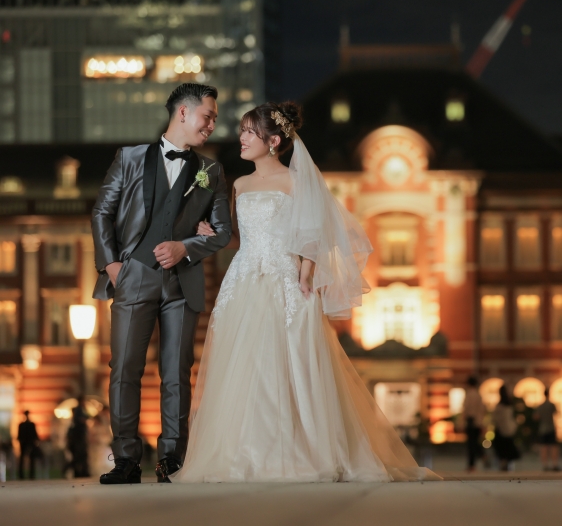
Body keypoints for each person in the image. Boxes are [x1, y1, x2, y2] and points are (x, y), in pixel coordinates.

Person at [171, 103, 439, 483]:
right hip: (244, 281)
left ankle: (302, 450)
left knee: (290, 365)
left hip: (285, 280)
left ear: (274, 141)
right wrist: (208, 234)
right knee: (246, 369)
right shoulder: (241, 185)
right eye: (243, 132)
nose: (242, 139)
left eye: (250, 132)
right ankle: (246, 453)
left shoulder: (297, 182)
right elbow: (236, 238)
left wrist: (306, 274)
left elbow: (317, 233)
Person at [92, 83, 233, 484]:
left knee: (176, 372)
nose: (211, 125)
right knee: (124, 369)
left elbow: (222, 232)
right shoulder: (130, 158)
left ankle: (173, 460)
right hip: (132, 275)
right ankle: (126, 460)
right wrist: (113, 265)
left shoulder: (211, 171)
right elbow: (101, 212)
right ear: (184, 113)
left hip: (182, 282)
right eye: (208, 116)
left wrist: (186, 246)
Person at [491, 385, 520, 471]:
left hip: (500, 430)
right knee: (508, 447)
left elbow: (494, 418)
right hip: (509, 429)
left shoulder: (499, 406)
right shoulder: (509, 404)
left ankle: (503, 464)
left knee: (501, 449)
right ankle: (508, 465)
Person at [463, 376, 486, 472]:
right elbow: (482, 410)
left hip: (470, 421)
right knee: (475, 442)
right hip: (477, 422)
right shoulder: (478, 395)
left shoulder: (469, 395)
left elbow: (465, 409)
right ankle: (480, 456)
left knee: (471, 444)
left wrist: (462, 421)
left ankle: (472, 464)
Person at [535, 389, 559, 471]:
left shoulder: (540, 406)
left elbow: (536, 417)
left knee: (543, 447)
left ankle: (545, 465)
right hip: (551, 428)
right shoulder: (551, 405)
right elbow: (556, 413)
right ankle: (554, 464)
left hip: (543, 428)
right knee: (553, 447)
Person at [65, 407, 90, 478]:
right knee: (77, 460)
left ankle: (81, 473)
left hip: (79, 445)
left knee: (79, 460)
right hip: (77, 445)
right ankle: (79, 472)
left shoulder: (76, 424)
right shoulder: (76, 425)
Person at [16, 410, 39, 480]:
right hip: (26, 443)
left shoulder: (27, 425)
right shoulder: (25, 425)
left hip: (28, 443)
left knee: (30, 459)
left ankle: (27, 475)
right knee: (24, 459)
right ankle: (23, 475)